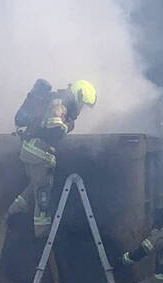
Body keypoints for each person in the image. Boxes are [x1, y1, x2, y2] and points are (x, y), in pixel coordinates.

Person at [7, 79, 97, 237]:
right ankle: (42, 235)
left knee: (33, 188)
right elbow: (56, 131)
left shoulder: (59, 101)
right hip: (39, 155)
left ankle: (13, 212)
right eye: (82, 104)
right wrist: (68, 126)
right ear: (78, 95)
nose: (81, 109)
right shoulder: (59, 104)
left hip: (32, 153)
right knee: (43, 196)